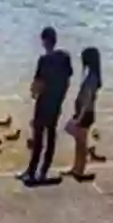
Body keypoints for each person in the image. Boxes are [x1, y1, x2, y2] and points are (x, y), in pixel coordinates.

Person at [20, 26, 73, 186]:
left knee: (38, 138)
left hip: (43, 103)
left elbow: (38, 84)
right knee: (50, 136)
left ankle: (31, 170)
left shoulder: (43, 61)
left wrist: (33, 93)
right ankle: (43, 171)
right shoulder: (65, 58)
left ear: (44, 41)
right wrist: (61, 97)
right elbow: (67, 81)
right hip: (56, 103)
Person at [65, 46, 102, 181]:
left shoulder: (92, 77)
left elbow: (87, 98)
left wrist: (79, 117)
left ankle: (80, 170)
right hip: (84, 112)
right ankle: (76, 168)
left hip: (85, 113)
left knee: (81, 143)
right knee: (79, 142)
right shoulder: (92, 75)